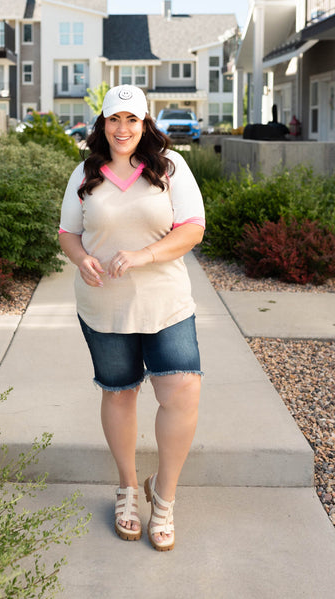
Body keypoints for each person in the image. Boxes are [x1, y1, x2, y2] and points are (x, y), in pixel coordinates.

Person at [59, 84, 205, 552]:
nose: (123, 129)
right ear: (102, 124)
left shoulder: (171, 168)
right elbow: (68, 233)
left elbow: (193, 228)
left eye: (132, 120)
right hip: (104, 307)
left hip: (165, 302)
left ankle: (163, 496)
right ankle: (126, 488)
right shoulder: (86, 172)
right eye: (114, 119)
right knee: (120, 394)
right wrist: (81, 258)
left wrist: (145, 255)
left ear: (146, 124)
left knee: (182, 391)